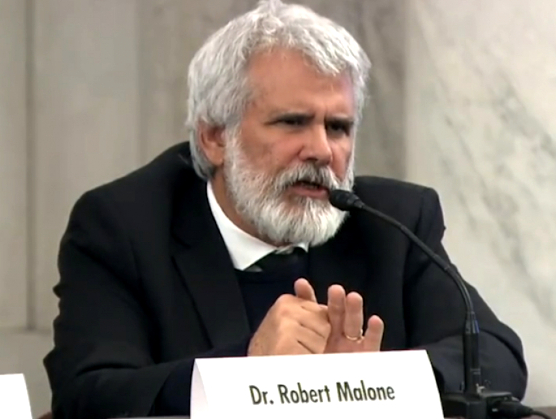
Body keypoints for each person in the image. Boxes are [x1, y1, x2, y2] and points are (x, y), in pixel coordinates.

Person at [43, 0, 527, 418]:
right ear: (214, 137)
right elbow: (87, 396)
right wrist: (249, 372)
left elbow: (492, 356)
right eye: (293, 122)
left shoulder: (392, 222)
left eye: (338, 127)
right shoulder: (124, 227)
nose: (321, 151)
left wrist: (372, 385)